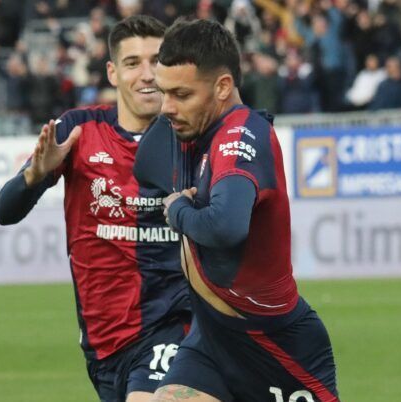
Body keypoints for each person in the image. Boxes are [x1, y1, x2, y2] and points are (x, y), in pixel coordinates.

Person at [138, 19, 340, 402]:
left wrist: (178, 209)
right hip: (211, 339)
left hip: (275, 344)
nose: (166, 108)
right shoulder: (189, 130)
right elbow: (145, 163)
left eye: (181, 94)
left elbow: (225, 227)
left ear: (223, 87)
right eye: (163, 92)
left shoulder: (239, 134)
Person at [0, 16, 190, 402]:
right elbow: (5, 211)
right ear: (113, 73)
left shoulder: (190, 136)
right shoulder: (80, 128)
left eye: (158, 60)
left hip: (173, 324)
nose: (148, 74)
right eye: (134, 63)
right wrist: (35, 175)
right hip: (103, 341)